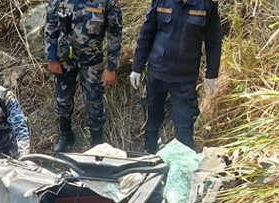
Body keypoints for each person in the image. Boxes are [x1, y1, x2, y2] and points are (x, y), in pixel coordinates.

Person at [129, 0, 224, 152]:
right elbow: (146, 33)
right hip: (157, 73)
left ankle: (183, 163)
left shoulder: (206, 5)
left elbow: (214, 41)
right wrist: (137, 67)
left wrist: (211, 73)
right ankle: (149, 152)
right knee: (152, 118)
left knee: (184, 125)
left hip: (185, 78)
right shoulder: (161, 2)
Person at [45, 0, 123, 152]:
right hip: (64, 58)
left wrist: (111, 67)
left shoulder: (108, 2)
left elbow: (115, 33)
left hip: (92, 60)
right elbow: (51, 23)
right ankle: (65, 135)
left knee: (95, 103)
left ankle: (97, 143)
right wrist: (51, 57)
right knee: (63, 100)